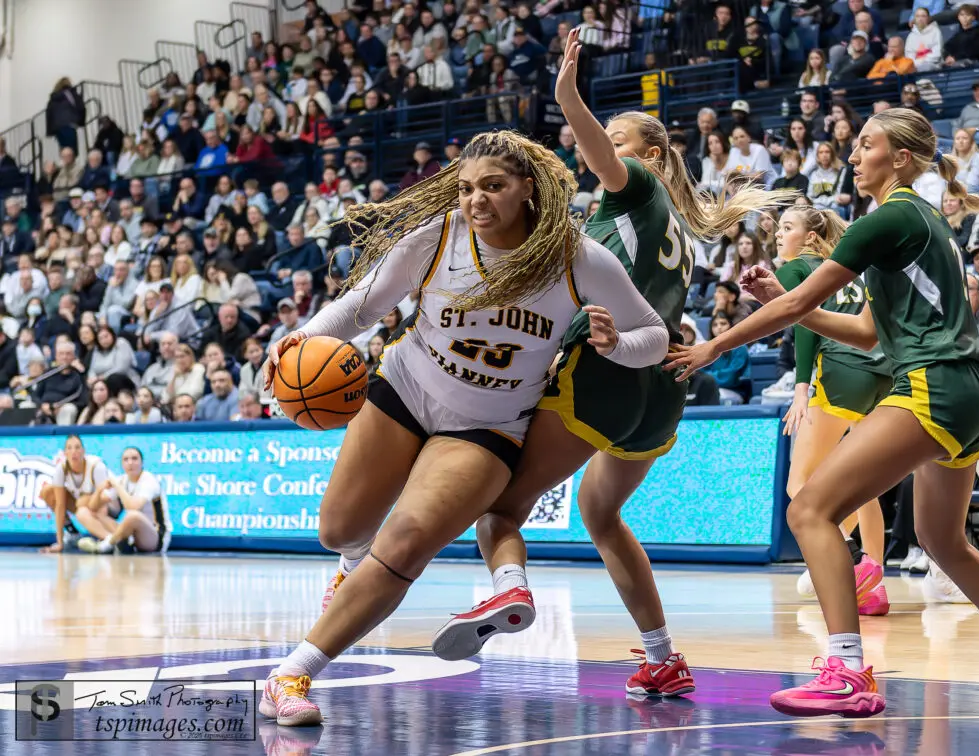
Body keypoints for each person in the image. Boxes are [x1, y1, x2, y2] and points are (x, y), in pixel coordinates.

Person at [258, 126, 674, 725]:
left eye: (493, 186)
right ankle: (349, 569)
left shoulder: (577, 258)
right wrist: (298, 340)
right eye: (466, 188)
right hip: (404, 389)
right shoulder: (435, 239)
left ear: (528, 188)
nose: (476, 200)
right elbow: (360, 308)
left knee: (404, 546)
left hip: (487, 427)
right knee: (338, 530)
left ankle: (290, 676)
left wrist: (615, 345)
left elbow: (655, 336)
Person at [432, 29, 787, 695]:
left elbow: (601, 157)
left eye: (618, 142)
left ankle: (506, 589)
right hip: (662, 390)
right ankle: (663, 657)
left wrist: (568, 97)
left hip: (606, 373)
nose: (600, 152)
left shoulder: (635, 188)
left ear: (651, 154)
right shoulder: (671, 224)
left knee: (499, 513)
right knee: (599, 515)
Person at [666, 107, 979, 716]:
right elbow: (863, 331)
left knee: (808, 509)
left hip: (934, 383)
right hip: (965, 390)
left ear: (902, 159)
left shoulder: (888, 217)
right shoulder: (921, 220)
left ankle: (847, 671)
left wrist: (713, 345)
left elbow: (806, 299)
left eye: (866, 145)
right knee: (942, 538)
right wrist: (785, 300)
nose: (854, 156)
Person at [772, 205, 892, 615]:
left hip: (838, 372)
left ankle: (845, 561)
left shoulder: (795, 269)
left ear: (808, 237)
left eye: (786, 228)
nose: (777, 235)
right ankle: (874, 581)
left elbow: (804, 324)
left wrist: (802, 386)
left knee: (799, 484)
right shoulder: (848, 270)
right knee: (862, 483)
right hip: (880, 373)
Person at [79, 447, 170, 554]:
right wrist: (99, 490)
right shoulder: (122, 480)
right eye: (126, 460)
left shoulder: (149, 480)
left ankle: (105, 546)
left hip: (155, 538)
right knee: (84, 512)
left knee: (133, 516)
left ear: (142, 462)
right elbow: (93, 507)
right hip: (131, 536)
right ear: (122, 464)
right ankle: (113, 540)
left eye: (134, 459)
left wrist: (117, 486)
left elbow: (133, 506)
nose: (130, 463)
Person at [38, 435, 110, 554]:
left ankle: (107, 537)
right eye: (69, 448)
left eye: (77, 448)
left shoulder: (97, 466)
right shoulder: (61, 469)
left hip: (106, 504)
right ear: (65, 453)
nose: (74, 452)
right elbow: (60, 506)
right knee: (48, 492)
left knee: (83, 503)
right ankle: (72, 533)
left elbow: (105, 500)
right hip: (84, 506)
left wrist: (100, 535)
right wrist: (59, 543)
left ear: (83, 451)